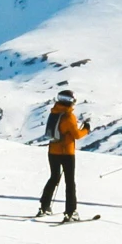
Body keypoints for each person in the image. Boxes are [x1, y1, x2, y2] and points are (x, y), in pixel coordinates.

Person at [37, 90, 91, 220]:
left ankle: (44, 207)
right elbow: (76, 135)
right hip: (67, 152)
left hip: (52, 151)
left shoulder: (54, 113)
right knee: (69, 182)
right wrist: (86, 129)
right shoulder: (69, 116)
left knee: (54, 178)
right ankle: (71, 212)